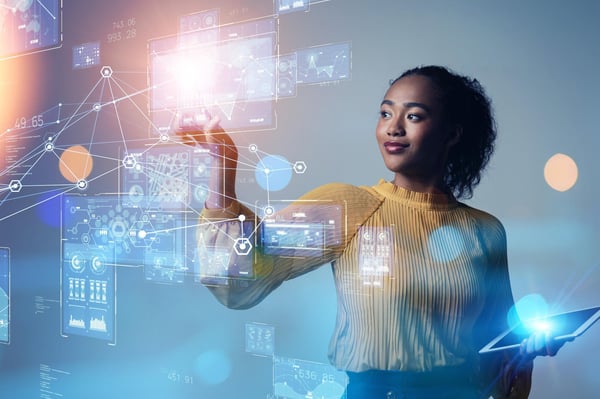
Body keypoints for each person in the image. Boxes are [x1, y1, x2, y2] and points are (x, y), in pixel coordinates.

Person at [178, 65, 562, 398]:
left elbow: (500, 346)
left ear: (453, 133)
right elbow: (239, 275)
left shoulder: (485, 230)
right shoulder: (348, 207)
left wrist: (527, 349)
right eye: (384, 113)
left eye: (413, 116)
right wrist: (222, 162)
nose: (392, 127)